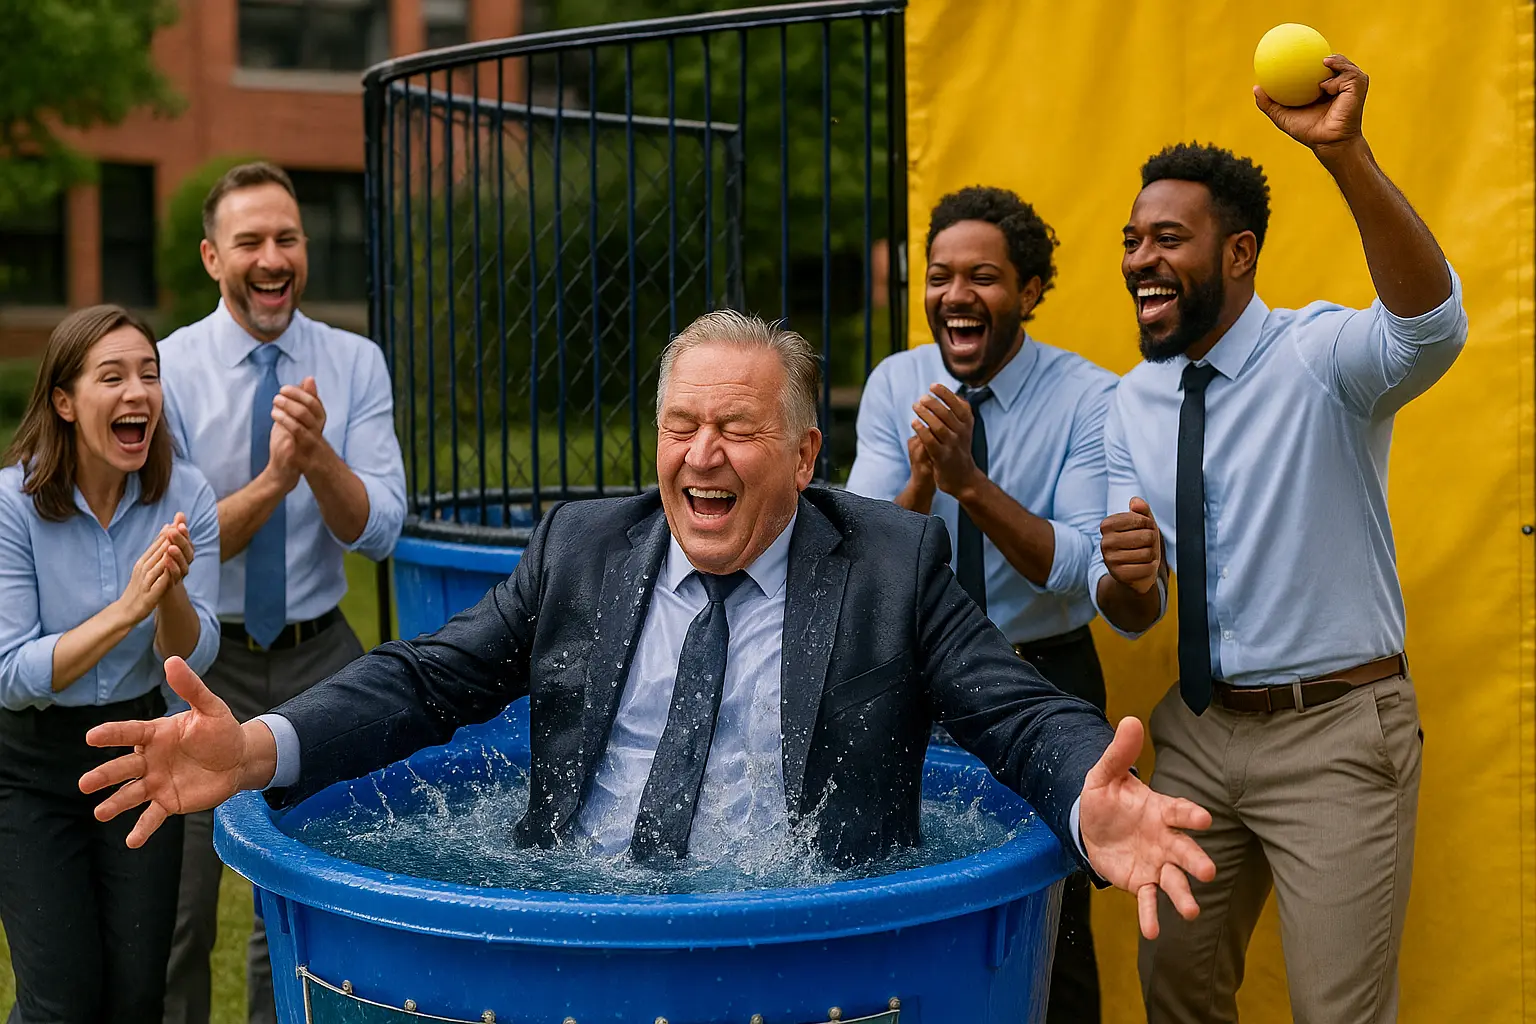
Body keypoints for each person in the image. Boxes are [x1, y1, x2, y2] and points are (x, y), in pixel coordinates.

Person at [83, 310, 1215, 952]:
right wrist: (258, 746)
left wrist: (1084, 795)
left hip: (799, 935)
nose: (701, 455)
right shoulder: (583, 546)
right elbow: (429, 679)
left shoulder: (891, 562)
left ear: (807, 456)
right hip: (583, 920)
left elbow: (1008, 710)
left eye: (736, 429)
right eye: (682, 427)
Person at [1089, 58, 1466, 1023]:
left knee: (1337, 1012)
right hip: (1202, 732)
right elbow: (1138, 607)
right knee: (1176, 988)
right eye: (1132, 240)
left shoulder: (1322, 357)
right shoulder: (1128, 403)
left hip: (1336, 735)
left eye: (1169, 239)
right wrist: (1125, 585)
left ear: (1241, 254)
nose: (1140, 259)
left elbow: (1431, 329)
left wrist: (1344, 157)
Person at [845, 185, 1116, 1023]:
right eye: (939, 275)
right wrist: (927, 478)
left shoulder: (1089, 396)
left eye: (985, 277)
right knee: (910, 877)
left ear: (1030, 292)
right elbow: (860, 558)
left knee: (1058, 913)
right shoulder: (898, 384)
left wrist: (970, 483)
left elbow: (1073, 566)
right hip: (915, 676)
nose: (956, 295)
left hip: (1046, 676)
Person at [155, 162, 407, 1024]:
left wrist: (319, 459)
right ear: (212, 258)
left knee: (292, 903)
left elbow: (378, 530)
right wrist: (273, 479)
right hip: (198, 663)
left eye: (287, 239)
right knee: (181, 915)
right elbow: (174, 550)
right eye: (251, 241)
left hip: (320, 660)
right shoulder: (168, 370)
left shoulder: (354, 361)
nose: (273, 257)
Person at [0, 305, 220, 1023]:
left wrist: (170, 592)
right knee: (61, 1003)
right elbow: (11, 672)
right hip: (28, 770)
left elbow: (193, 656)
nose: (138, 393)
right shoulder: (13, 504)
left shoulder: (186, 495)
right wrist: (126, 608)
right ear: (64, 401)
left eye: (149, 376)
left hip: (141, 754)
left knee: (134, 997)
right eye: (113, 376)